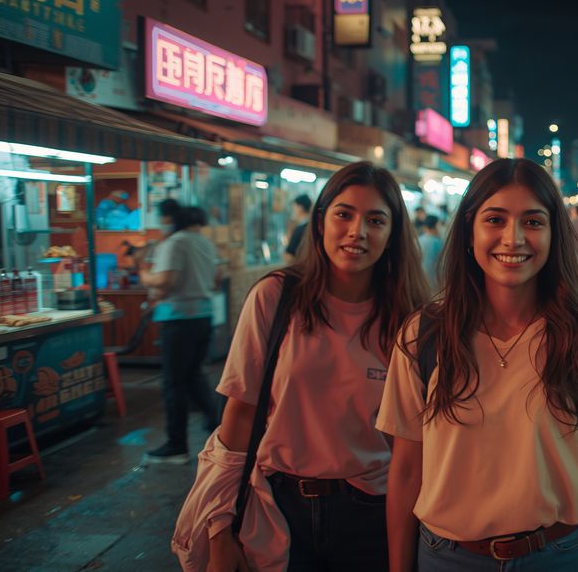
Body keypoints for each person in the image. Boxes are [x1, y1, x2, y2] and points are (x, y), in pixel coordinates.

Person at [378, 158, 578, 571]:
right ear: (470, 232)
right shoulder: (424, 334)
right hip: (446, 558)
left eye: (533, 222)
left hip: (558, 556)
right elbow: (403, 473)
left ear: (553, 234)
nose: (513, 238)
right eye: (495, 219)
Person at [179, 163, 430, 571]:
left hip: (371, 512)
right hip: (277, 507)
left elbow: (414, 444)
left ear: (393, 233)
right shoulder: (275, 297)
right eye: (344, 214)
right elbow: (239, 417)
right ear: (320, 222)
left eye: (375, 220)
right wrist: (219, 528)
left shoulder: (410, 318)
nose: (357, 231)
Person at [141, 205, 220, 464]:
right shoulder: (206, 243)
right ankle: (219, 428)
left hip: (179, 320)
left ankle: (177, 445)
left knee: (173, 383)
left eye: (161, 217)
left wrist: (144, 274)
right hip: (204, 316)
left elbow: (166, 281)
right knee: (194, 375)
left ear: (171, 219)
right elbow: (217, 279)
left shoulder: (174, 243)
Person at [283, 194, 312, 263]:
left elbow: (289, 256)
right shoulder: (314, 226)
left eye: (295, 207)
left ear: (300, 208)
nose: (294, 210)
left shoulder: (299, 229)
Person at [417, 214, 443, 291]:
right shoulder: (438, 243)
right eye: (439, 225)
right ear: (435, 226)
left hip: (420, 283)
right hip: (436, 284)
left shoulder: (418, 241)